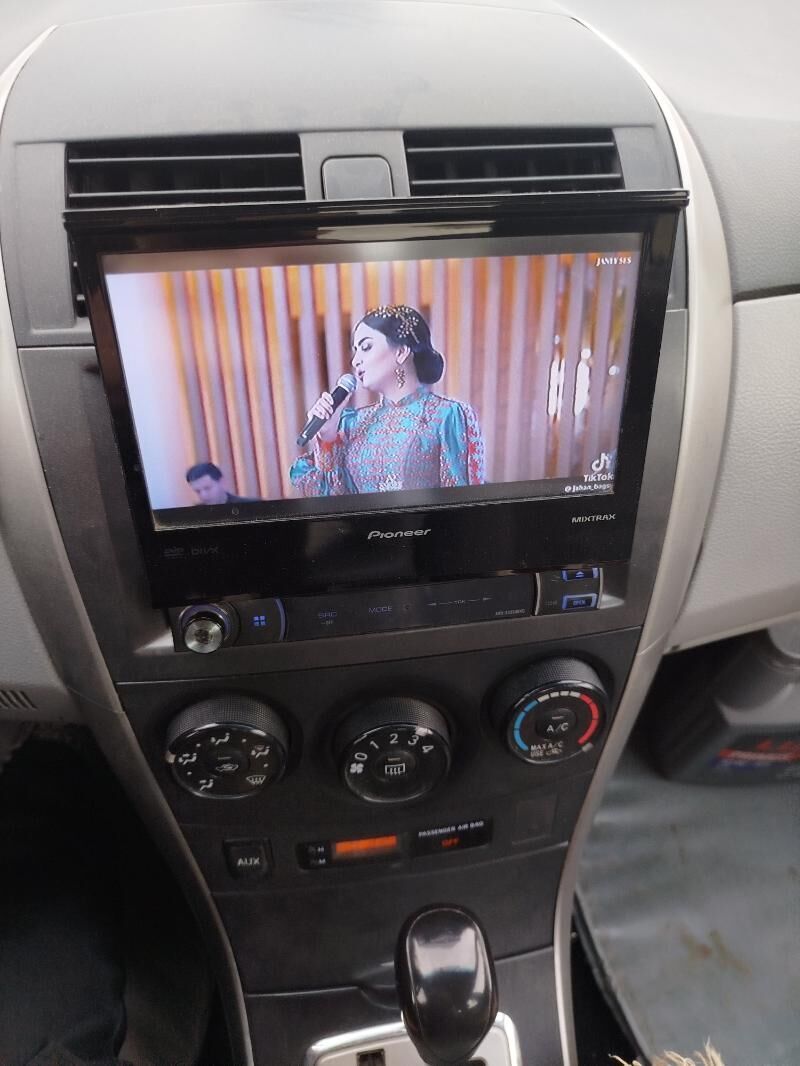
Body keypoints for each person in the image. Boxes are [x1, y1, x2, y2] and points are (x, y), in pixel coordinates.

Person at [290, 305, 485, 497]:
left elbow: (460, 499)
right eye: (355, 350)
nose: (355, 361)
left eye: (366, 347)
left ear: (401, 352)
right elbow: (336, 498)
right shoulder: (354, 422)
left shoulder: (446, 415)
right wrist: (327, 436)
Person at [185, 462, 255, 505]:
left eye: (207, 488)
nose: (203, 496)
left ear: (222, 482)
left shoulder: (249, 507)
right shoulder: (195, 514)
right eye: (198, 491)